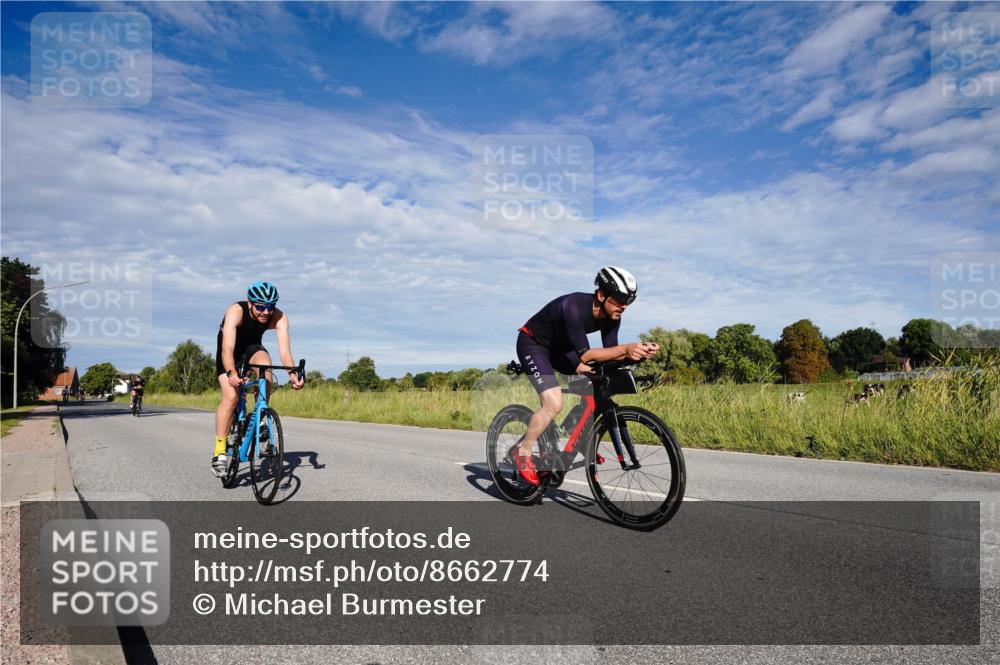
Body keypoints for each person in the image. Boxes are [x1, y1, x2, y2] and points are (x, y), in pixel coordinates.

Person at [513, 267, 659, 485]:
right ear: (601, 295)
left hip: (563, 350)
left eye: (629, 300)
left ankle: (579, 439)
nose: (624, 305)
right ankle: (522, 453)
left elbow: (609, 357)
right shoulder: (573, 306)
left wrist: (637, 357)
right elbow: (588, 354)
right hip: (534, 344)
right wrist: (626, 348)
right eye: (620, 299)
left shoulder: (613, 317)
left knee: (595, 382)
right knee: (553, 403)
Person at [211, 281, 304, 477]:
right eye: (260, 306)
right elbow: (227, 349)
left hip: (252, 348)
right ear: (250, 302)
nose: (265, 311)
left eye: (270, 306)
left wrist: (293, 374)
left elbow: (285, 352)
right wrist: (231, 373)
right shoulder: (236, 311)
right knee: (231, 397)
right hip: (229, 353)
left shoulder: (279, 317)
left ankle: (261, 416)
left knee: (266, 367)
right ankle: (220, 450)